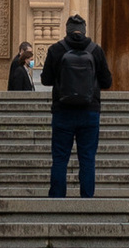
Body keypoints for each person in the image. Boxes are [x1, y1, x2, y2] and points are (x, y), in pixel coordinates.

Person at [43, 11, 111, 195]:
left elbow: (45, 80)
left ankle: (57, 198)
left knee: (60, 158)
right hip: (90, 112)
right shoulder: (96, 50)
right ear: (84, 30)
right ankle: (86, 198)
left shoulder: (56, 50)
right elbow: (107, 82)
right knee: (87, 158)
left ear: (67, 31)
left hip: (62, 111)